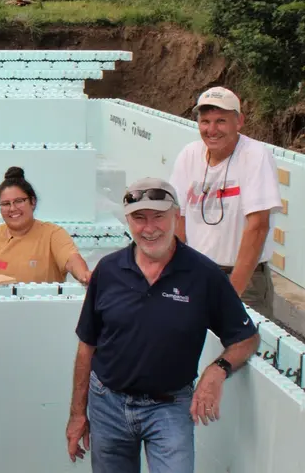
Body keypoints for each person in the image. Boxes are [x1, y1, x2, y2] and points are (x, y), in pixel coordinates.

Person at [66, 177, 260, 473]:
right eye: (139, 218)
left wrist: (217, 370)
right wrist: (78, 414)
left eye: (159, 216)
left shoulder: (204, 275)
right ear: (128, 220)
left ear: (177, 216)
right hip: (107, 404)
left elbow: (246, 338)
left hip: (169, 406)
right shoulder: (107, 271)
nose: (149, 227)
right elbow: (86, 347)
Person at [169, 86, 283, 319]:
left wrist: (232, 293)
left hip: (243, 279)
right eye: (205, 121)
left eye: (221, 121)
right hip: (197, 274)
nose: (212, 130)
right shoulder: (189, 154)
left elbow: (258, 226)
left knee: (242, 351)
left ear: (239, 121)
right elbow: (177, 217)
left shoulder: (255, 155)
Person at [0, 166, 91, 284]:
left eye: (19, 201)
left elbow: (71, 260)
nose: (12, 208)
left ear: (32, 202)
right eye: (5, 204)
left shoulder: (52, 234)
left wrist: (84, 275)